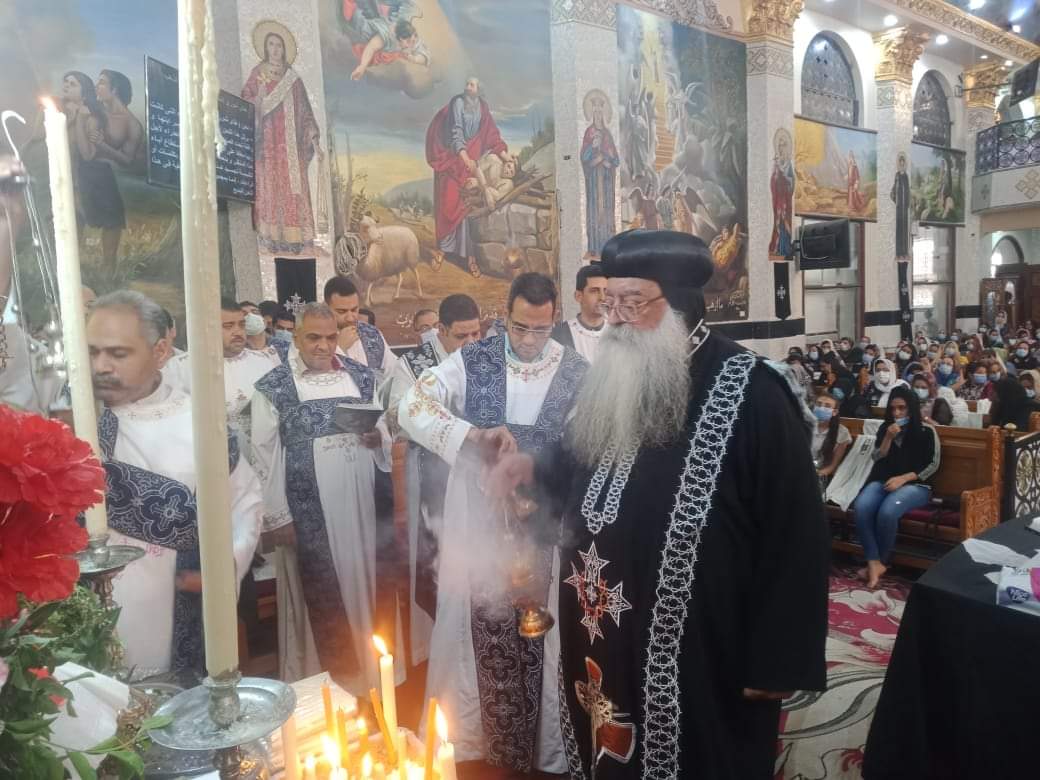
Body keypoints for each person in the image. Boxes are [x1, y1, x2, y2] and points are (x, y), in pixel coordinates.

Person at [486, 231, 828, 779]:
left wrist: (778, 656)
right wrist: (531, 467)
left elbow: (796, 532)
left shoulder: (754, 392)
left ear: (682, 306)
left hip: (703, 645)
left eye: (634, 302)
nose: (616, 319)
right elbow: (579, 459)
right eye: (610, 302)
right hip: (602, 628)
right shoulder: (610, 378)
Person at [398, 273, 589, 773]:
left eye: (540, 329)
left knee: (544, 632)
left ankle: (546, 748)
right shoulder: (471, 360)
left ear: (555, 318)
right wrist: (472, 435)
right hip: (478, 522)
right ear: (505, 316)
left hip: (546, 527)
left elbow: (588, 444)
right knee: (475, 621)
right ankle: (475, 741)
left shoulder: (576, 371)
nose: (529, 339)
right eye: (521, 327)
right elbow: (411, 407)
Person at [87, 290, 262, 677]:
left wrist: (222, 569)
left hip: (174, 605)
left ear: (161, 350)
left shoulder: (199, 422)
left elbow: (244, 501)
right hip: (86, 611)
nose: (100, 366)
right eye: (92, 352)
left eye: (118, 354)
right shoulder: (72, 417)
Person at [251, 303, 395, 692]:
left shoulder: (362, 376)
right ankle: (326, 686)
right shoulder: (275, 387)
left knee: (367, 577)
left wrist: (378, 438)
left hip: (362, 502)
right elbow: (263, 454)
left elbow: (383, 428)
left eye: (331, 337)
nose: (323, 346)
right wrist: (278, 515)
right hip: (310, 511)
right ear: (295, 338)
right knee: (319, 590)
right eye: (313, 337)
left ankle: (373, 676)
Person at [382, 293, 482, 668]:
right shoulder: (413, 365)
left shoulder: (486, 358)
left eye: (476, 333)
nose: (471, 343)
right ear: (440, 330)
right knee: (436, 554)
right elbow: (399, 416)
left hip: (476, 477)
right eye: (461, 336)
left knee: (477, 554)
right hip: (432, 475)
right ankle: (437, 652)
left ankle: (474, 640)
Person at [242, 24, 321, 254]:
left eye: (279, 45)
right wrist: (258, 98)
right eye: (271, 44)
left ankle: (296, 239)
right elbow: (245, 101)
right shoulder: (257, 73)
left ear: (284, 49)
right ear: (265, 48)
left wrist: (314, 139)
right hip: (267, 145)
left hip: (291, 149)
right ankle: (270, 238)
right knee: (269, 187)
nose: (275, 49)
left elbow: (306, 112)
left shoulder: (293, 78)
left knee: (294, 188)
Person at [852, 386, 940, 588]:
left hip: (917, 485)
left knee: (888, 511)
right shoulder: (886, 428)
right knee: (862, 507)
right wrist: (888, 438)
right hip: (883, 480)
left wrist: (904, 478)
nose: (897, 413)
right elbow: (876, 457)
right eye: (893, 408)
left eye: (902, 408)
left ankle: (881, 562)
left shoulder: (926, 431)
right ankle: (873, 561)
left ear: (912, 408)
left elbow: (933, 464)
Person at [426, 77, 509, 277]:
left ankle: (470, 256)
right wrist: (465, 159)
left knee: (467, 204)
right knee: (448, 202)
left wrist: (506, 157)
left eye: (472, 85)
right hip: (453, 159)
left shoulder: (483, 108)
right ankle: (443, 249)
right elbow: (456, 133)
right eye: (467, 83)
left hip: (472, 162)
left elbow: (492, 136)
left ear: (479, 90)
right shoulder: (458, 103)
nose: (467, 87)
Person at [324, 276, 396, 379]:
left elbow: (394, 371)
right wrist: (339, 349)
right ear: (326, 308)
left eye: (354, 310)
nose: (350, 318)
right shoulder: (316, 338)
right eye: (342, 311)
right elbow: (315, 380)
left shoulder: (372, 334)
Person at [551, 264, 608, 363]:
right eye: (594, 291)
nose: (602, 297)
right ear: (578, 296)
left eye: (606, 291)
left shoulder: (621, 335)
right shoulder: (558, 337)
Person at [813, 392, 851, 482]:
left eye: (827, 406)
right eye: (819, 404)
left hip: (819, 475)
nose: (822, 408)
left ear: (834, 412)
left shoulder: (842, 432)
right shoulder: (803, 426)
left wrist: (816, 476)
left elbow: (832, 466)